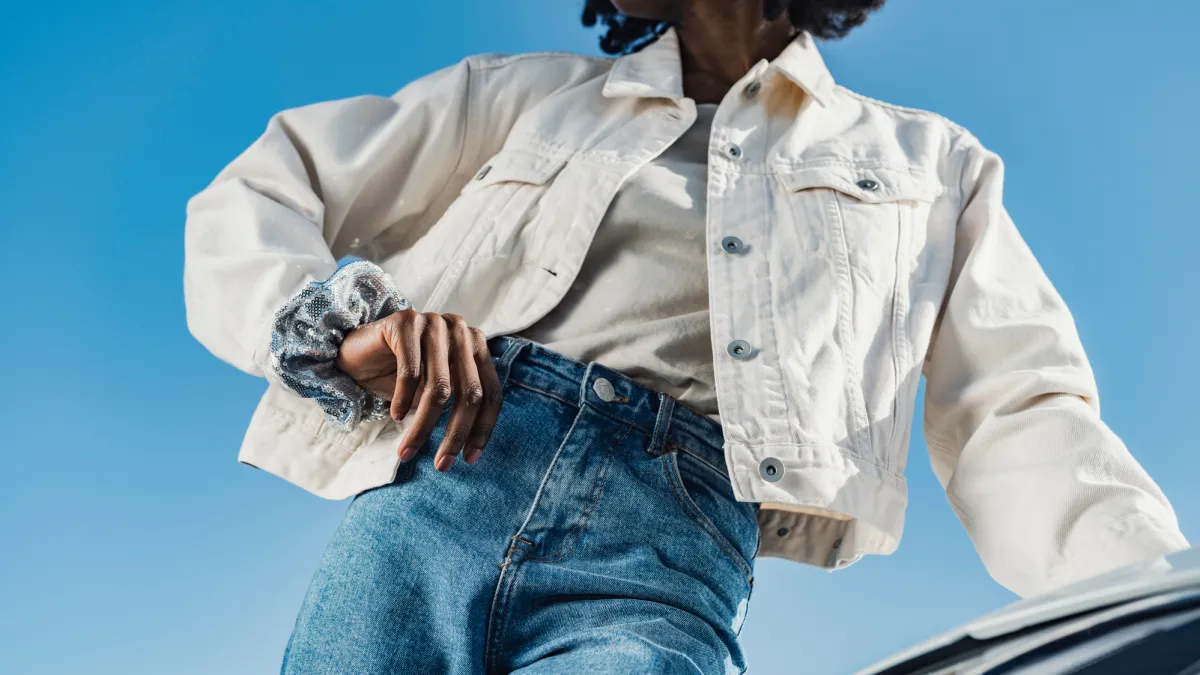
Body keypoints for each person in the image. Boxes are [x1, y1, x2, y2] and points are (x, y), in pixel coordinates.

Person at [183, 0, 1190, 672]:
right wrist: (343, 328)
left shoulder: (930, 164)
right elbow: (272, 182)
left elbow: (1020, 408)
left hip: (665, 557)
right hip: (439, 492)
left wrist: (1151, 596)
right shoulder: (524, 98)